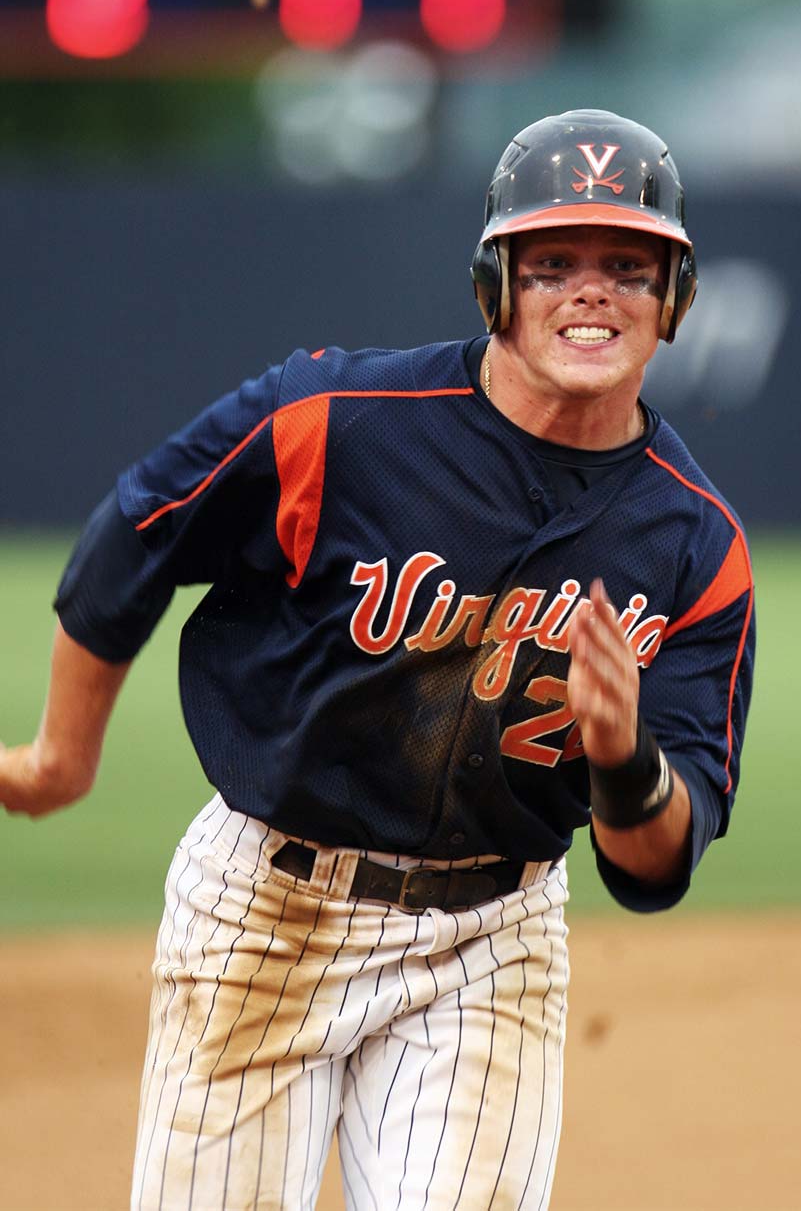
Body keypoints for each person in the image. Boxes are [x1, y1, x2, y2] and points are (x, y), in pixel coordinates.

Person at [0, 109, 756, 1209]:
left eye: (629, 268)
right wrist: (64, 757)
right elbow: (139, 532)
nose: (592, 291)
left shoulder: (696, 546)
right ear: (496, 286)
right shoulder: (340, 421)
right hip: (266, 908)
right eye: (552, 263)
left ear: (673, 302)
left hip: (491, 938)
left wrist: (624, 760)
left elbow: (656, 866)